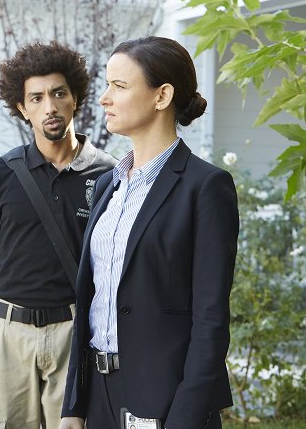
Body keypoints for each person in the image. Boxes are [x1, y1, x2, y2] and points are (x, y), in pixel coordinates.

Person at [59, 36, 239, 429]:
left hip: (168, 398)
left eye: (119, 86)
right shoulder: (109, 184)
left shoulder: (205, 187)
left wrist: (185, 418)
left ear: (162, 96)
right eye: (106, 85)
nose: (104, 98)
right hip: (100, 398)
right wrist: (74, 404)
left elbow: (210, 321)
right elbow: (90, 298)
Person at [0, 41, 116, 429]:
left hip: (74, 334)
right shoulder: (0, 175)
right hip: (7, 334)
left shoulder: (109, 174)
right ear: (22, 108)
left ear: (75, 99)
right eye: (36, 98)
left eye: (58, 93)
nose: (49, 106)